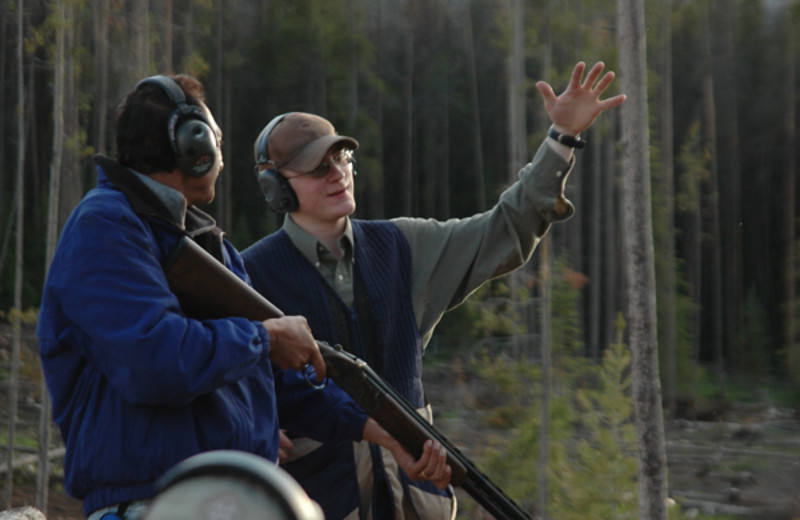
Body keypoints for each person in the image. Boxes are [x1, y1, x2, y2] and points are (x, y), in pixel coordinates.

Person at [36, 74, 449, 520]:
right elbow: (153, 360)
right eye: (214, 141)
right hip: (156, 504)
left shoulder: (204, 244)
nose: (222, 159)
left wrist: (388, 436)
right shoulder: (106, 226)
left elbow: (280, 382)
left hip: (231, 501)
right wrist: (266, 338)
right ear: (193, 148)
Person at [241, 61, 626, 520]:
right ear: (277, 189)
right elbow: (205, 375)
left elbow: (504, 229)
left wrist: (560, 139)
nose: (337, 173)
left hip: (416, 501)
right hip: (316, 503)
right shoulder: (248, 274)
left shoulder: (403, 246)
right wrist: (249, 424)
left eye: (341, 158)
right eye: (316, 168)